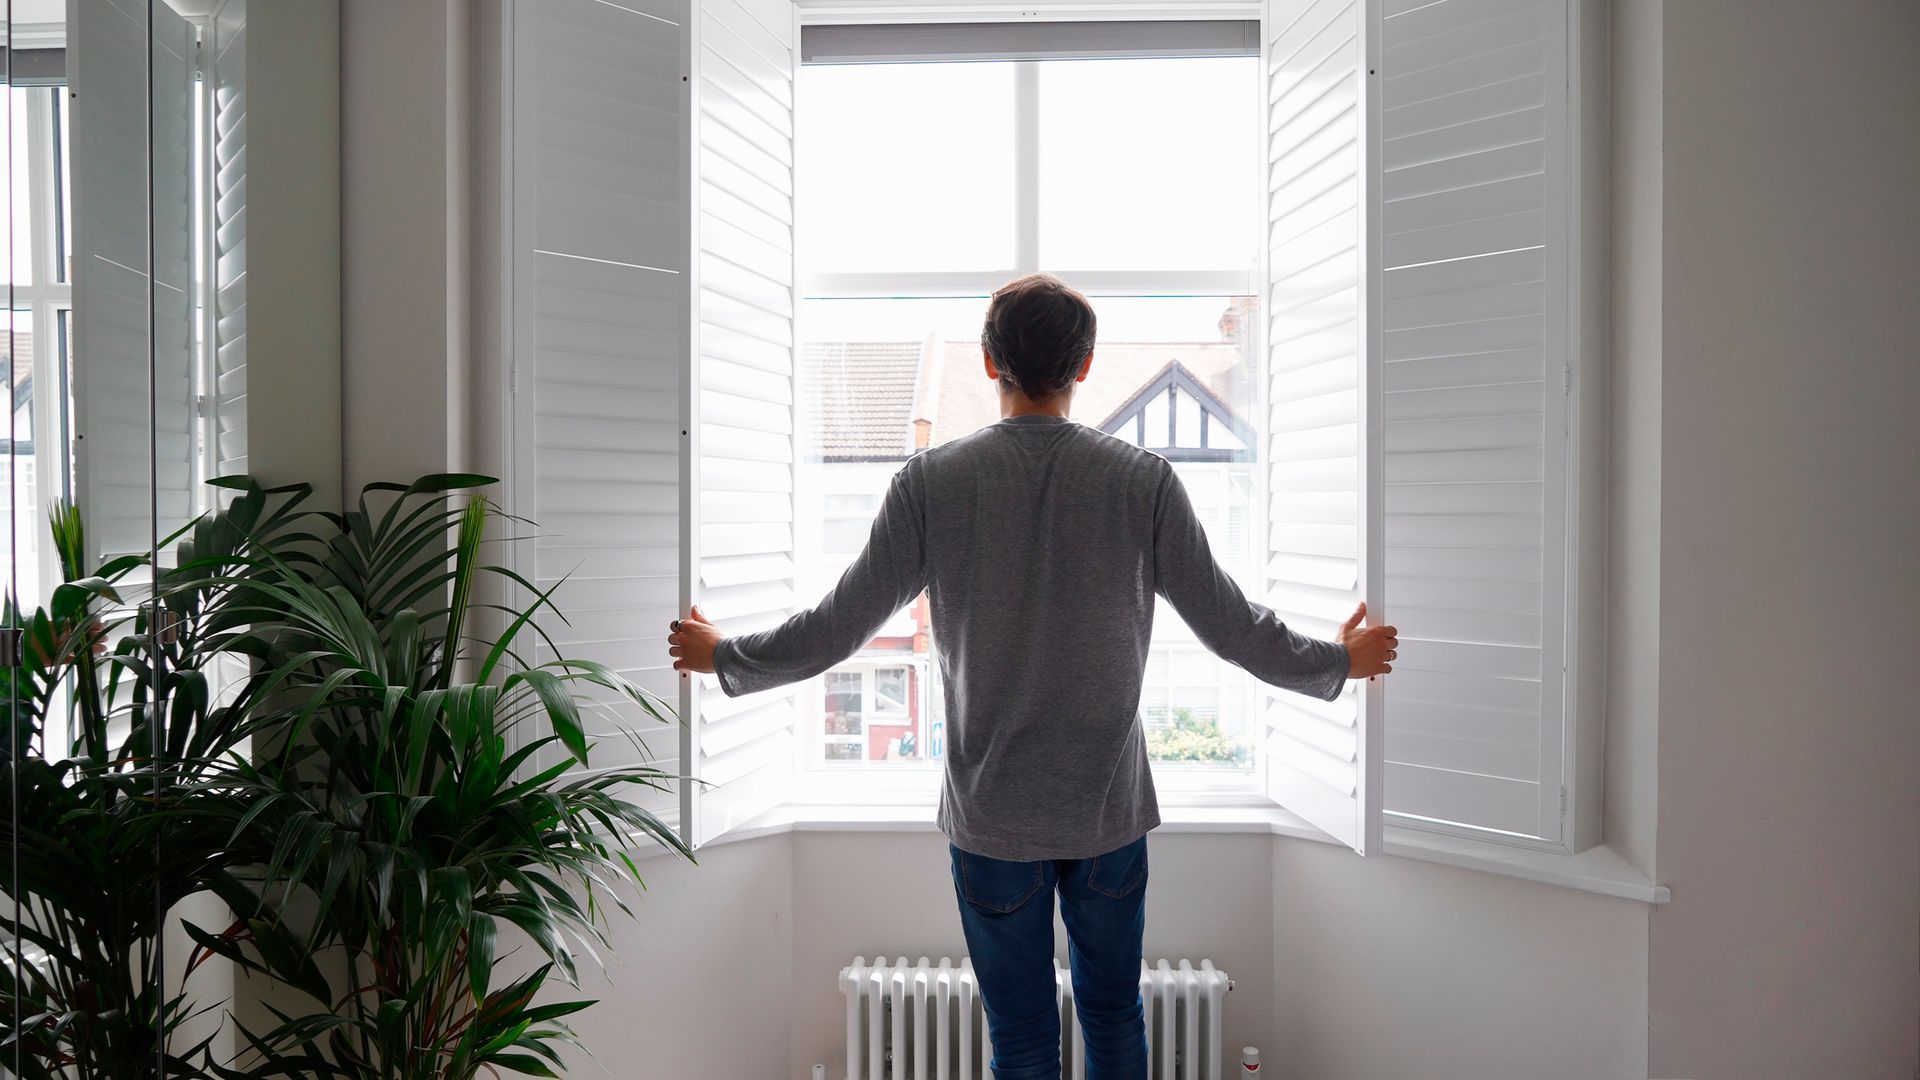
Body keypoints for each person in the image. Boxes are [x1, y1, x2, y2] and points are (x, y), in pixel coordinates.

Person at [667, 274, 1397, 1080]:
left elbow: (838, 626)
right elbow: (1231, 627)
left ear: (990, 363)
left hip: (994, 819)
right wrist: (1340, 662)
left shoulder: (930, 484)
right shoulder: (1143, 482)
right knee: (1114, 1013)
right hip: (1106, 814)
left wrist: (723, 657)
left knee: (1019, 1035)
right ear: (1083, 367)